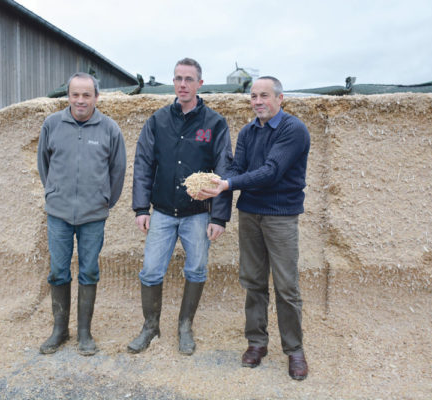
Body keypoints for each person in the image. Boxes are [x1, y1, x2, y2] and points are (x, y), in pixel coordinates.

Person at [190, 76, 310, 380]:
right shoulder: (247, 131)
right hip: (251, 215)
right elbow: (236, 168)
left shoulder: (292, 130)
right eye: (254, 96)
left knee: (286, 286)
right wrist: (214, 185)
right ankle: (257, 343)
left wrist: (226, 184)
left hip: (281, 216)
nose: (258, 101)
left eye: (265, 96)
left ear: (280, 99)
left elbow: (271, 172)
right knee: (253, 281)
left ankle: (294, 350)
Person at [128, 58, 233, 356]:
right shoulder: (158, 120)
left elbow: (225, 169)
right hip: (161, 211)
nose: (183, 84)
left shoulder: (214, 123)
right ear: (173, 82)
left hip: (198, 215)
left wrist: (219, 217)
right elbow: (144, 164)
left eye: (189, 79)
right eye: (178, 78)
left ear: (200, 83)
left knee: (197, 270)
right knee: (150, 272)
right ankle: (150, 327)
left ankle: (185, 326)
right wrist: (141, 208)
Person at [37, 72, 126, 356]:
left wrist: (103, 200)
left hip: (93, 216)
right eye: (75, 94)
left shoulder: (109, 129)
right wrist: (54, 192)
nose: (80, 100)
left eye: (87, 95)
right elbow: (44, 164)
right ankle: (60, 330)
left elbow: (118, 170)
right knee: (58, 271)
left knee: (89, 270)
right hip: (59, 214)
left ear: (96, 97)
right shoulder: (52, 124)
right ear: (68, 96)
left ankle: (85, 333)